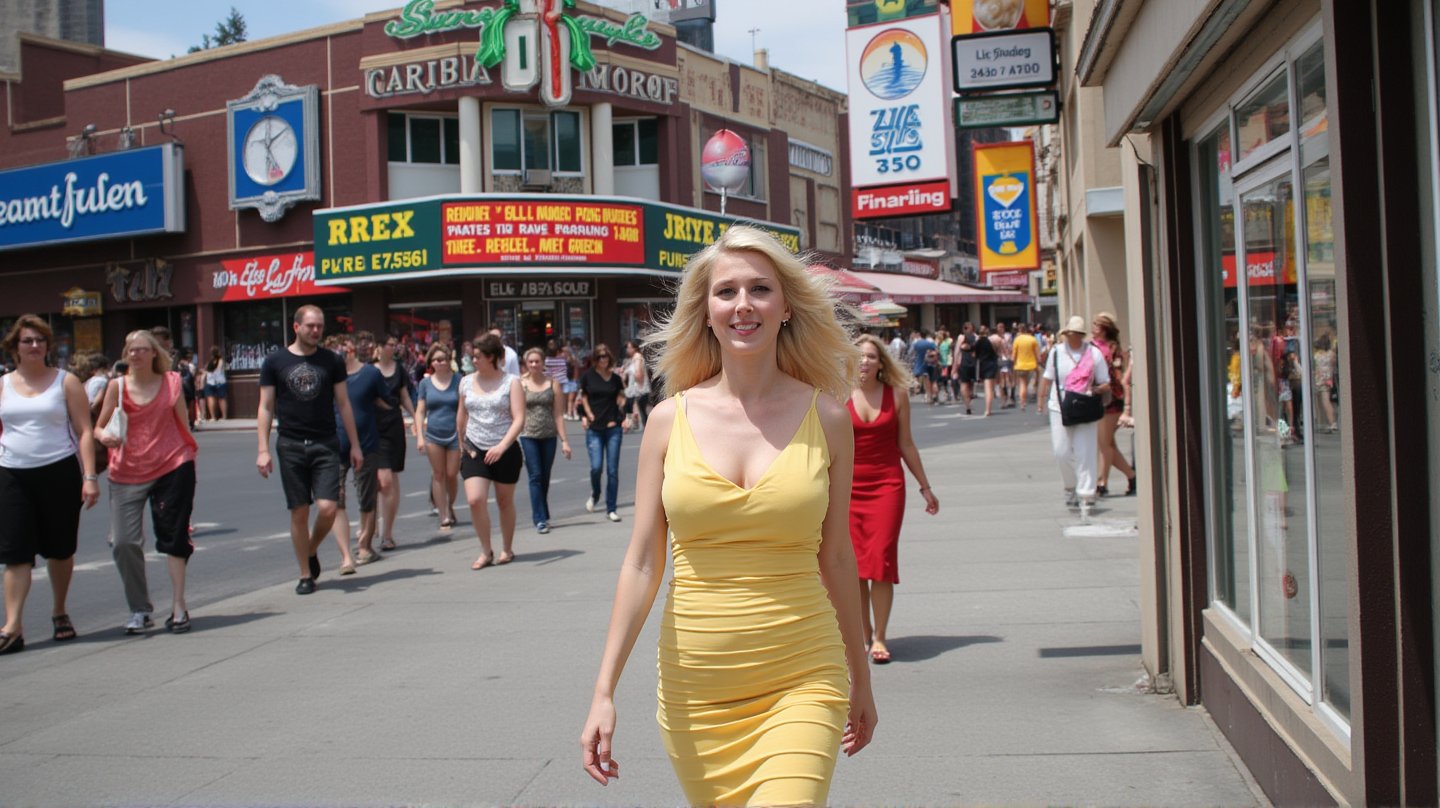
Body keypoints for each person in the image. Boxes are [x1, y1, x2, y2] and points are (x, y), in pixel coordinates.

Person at [580, 226, 877, 805]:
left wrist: (860, 677)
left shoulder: (829, 419)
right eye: (726, 292)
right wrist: (604, 690)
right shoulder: (669, 420)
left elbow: (838, 556)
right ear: (707, 311)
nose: (743, 304)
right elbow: (642, 562)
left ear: (786, 306)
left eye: (760, 289)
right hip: (696, 690)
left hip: (803, 676)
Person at [0, 315, 101, 655]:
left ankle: (59, 611)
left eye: (40, 340)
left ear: (48, 346)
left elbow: (85, 431)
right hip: (12, 473)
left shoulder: (65, 382)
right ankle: (12, 626)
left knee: (60, 549)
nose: (34, 346)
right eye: (27, 340)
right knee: (15, 553)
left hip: (58, 471)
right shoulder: (2, 384)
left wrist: (89, 477)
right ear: (14, 347)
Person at [95, 330, 198, 634]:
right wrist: (106, 436)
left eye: (142, 349)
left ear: (155, 353)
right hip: (127, 469)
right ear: (125, 355)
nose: (136, 354)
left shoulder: (172, 382)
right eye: (131, 350)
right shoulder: (117, 386)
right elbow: (98, 427)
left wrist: (190, 454)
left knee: (174, 536)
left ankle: (179, 607)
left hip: (172, 462)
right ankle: (140, 609)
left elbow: (183, 423)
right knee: (123, 542)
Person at [256, 305, 364, 596]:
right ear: (296, 327)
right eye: (310, 326)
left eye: (320, 326)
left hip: (325, 442)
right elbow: (266, 407)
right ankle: (306, 574)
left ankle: (311, 548)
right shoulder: (275, 361)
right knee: (299, 511)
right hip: (290, 444)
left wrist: (354, 445)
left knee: (329, 508)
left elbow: (343, 404)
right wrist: (262, 449)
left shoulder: (331, 361)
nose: (316, 331)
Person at [848, 334, 939, 665]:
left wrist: (925, 487)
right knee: (855, 568)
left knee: (881, 563)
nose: (865, 362)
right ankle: (863, 632)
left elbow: (906, 444)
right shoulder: (836, 394)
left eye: (872, 356)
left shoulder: (896, 394)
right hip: (847, 490)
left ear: (881, 361)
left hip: (887, 485)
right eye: (860, 356)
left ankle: (881, 637)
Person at [457, 334, 524, 570]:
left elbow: (519, 419)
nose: (474, 360)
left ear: (492, 357)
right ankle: (486, 551)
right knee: (475, 500)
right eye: (473, 356)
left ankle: (507, 547)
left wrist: (502, 446)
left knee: (504, 502)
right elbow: (462, 415)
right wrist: (461, 443)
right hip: (474, 448)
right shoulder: (465, 382)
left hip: (504, 448)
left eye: (478, 356)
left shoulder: (511, 382)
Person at [1036, 316, 1112, 518]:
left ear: (1080, 335)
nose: (1071, 337)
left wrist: (1094, 389)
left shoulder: (1093, 353)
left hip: (1086, 407)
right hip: (1059, 406)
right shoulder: (1056, 352)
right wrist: (1041, 400)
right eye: (1069, 334)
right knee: (1061, 452)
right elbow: (1047, 378)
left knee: (1085, 451)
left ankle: (1087, 495)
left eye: (1075, 334)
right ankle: (1070, 486)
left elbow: (1106, 382)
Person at [325, 333, 388, 571]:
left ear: (351, 349)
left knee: (366, 496)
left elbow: (386, 400)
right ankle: (345, 556)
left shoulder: (371, 374)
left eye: (342, 347)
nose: (338, 352)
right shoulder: (327, 377)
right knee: (335, 499)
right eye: (332, 349)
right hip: (334, 445)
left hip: (367, 442)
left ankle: (365, 547)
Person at [519, 347, 572, 534]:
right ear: (526, 363)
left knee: (545, 476)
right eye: (531, 361)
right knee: (535, 476)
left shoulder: (552, 383)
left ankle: (543, 511)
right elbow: (516, 413)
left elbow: (558, 414)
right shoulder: (520, 383)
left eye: (537, 361)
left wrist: (564, 440)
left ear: (543, 363)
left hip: (549, 435)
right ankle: (539, 518)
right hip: (528, 435)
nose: (534, 364)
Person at [372, 333, 416, 552]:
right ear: (380, 347)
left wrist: (415, 418)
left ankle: (387, 533)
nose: (394, 348)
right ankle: (374, 527)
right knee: (382, 481)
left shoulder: (399, 370)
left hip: (394, 428)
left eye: (395, 345)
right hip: (373, 429)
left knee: (390, 480)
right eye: (390, 345)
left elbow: (404, 395)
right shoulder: (369, 370)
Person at [415, 343, 462, 529]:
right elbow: (420, 411)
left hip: (454, 434)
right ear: (430, 362)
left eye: (442, 359)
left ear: (449, 360)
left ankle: (450, 506)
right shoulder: (425, 383)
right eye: (435, 360)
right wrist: (420, 435)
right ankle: (443, 514)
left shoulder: (459, 380)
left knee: (451, 474)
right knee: (438, 474)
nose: (439, 362)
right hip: (433, 434)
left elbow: (464, 407)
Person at [578, 343, 626, 522]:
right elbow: (582, 397)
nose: (603, 360)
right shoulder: (587, 377)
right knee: (596, 467)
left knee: (612, 470)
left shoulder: (615, 378)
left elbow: (621, 397)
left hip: (613, 426)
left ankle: (611, 508)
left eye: (605, 356)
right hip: (594, 427)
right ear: (594, 359)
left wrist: (624, 413)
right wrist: (587, 415)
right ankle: (596, 492)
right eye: (599, 357)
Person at [1091, 313, 1136, 497]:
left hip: (1111, 399)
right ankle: (1131, 477)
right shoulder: (1093, 346)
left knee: (1103, 444)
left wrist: (1126, 404)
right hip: (1100, 398)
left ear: (1103, 328)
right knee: (1107, 443)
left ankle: (1102, 482)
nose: (1093, 328)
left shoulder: (1112, 348)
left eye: (1096, 325)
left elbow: (1118, 375)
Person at [621, 339, 650, 431]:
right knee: (631, 406)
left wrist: (638, 383)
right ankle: (630, 425)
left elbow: (638, 373)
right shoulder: (633, 358)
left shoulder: (637, 357)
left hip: (637, 388)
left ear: (635, 348)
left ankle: (636, 425)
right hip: (633, 387)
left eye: (629, 347)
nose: (627, 350)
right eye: (627, 348)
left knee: (636, 407)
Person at [973, 324, 1000, 416]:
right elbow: (997, 353)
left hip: (983, 365)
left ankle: (987, 409)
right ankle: (988, 409)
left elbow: (974, 354)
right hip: (992, 364)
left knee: (987, 388)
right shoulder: (993, 341)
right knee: (990, 388)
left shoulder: (978, 342)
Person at [951, 321, 977, 413]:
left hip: (963, 363)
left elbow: (957, 352)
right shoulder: (976, 337)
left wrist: (954, 366)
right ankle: (969, 401)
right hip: (973, 364)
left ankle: (967, 405)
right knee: (970, 383)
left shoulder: (961, 337)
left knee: (964, 383)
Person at [1011, 323, 1040, 409]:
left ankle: (1022, 403)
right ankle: (1032, 393)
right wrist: (1039, 361)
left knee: (1022, 384)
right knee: (1031, 382)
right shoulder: (1032, 339)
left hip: (1020, 365)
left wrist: (1013, 362)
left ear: (1019, 330)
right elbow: (1038, 354)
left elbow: (1013, 355)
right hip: (1032, 365)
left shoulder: (1017, 340)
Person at [203, 346, 228, 422]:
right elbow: (222, 368)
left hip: (210, 381)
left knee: (211, 398)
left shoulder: (210, 362)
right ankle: (224, 416)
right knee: (222, 399)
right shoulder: (221, 361)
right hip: (220, 381)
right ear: (218, 352)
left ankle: (213, 417)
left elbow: (206, 370)